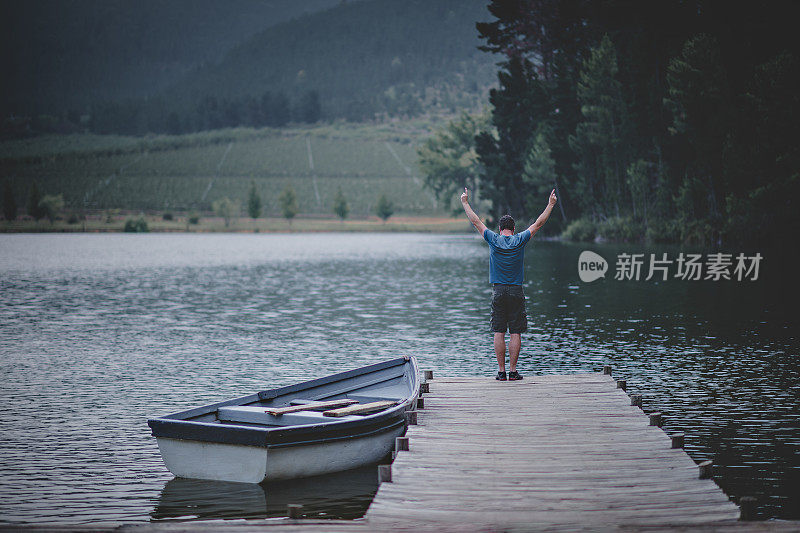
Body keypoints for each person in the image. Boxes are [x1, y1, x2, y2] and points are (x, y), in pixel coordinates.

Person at [460, 187, 557, 381]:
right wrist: (551, 204)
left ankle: (501, 372)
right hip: (515, 291)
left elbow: (476, 221)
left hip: (498, 291)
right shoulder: (519, 239)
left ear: (499, 229)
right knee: (515, 332)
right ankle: (513, 372)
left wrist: (465, 202)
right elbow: (538, 223)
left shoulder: (493, 239)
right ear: (513, 229)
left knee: (499, 331)